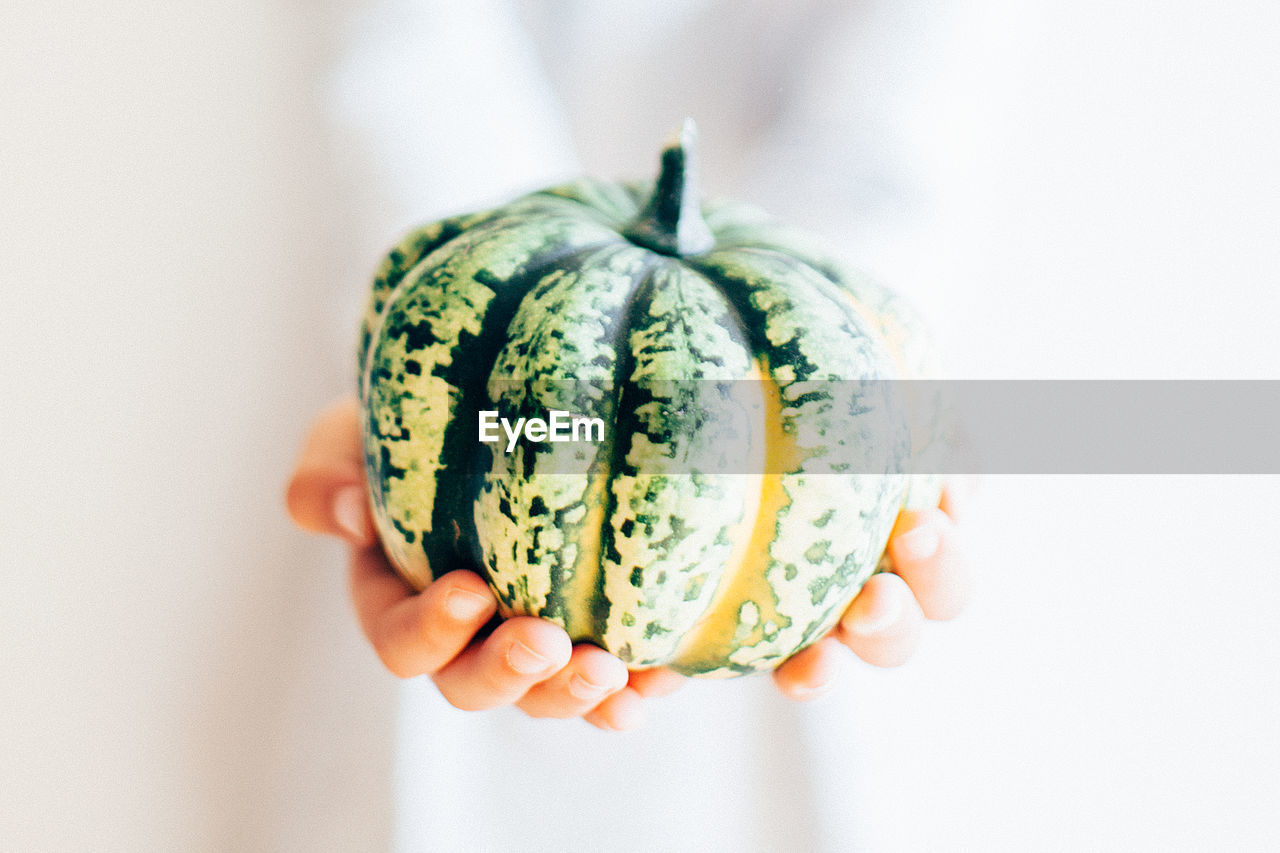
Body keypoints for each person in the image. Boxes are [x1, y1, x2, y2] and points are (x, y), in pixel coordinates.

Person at [287, 2, 971, 848]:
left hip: (769, 400)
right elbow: (410, 57)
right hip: (448, 373)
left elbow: (890, 125)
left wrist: (853, 403)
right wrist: (466, 365)